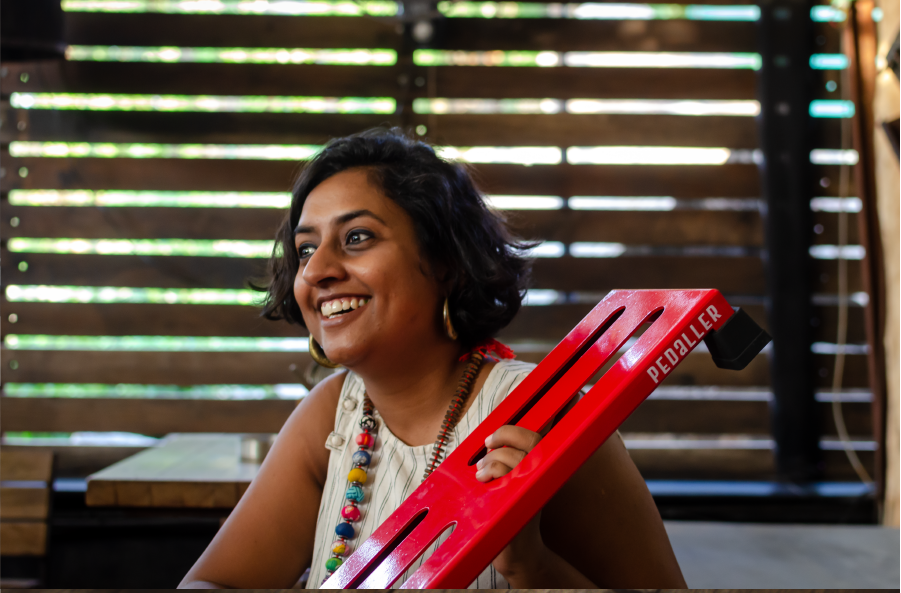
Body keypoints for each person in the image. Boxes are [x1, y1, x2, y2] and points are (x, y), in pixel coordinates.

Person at [179, 129, 686, 589]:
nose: (318, 272)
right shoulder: (332, 414)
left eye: (357, 238)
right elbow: (211, 584)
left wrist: (533, 567)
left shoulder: (541, 414)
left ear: (445, 261)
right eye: (306, 250)